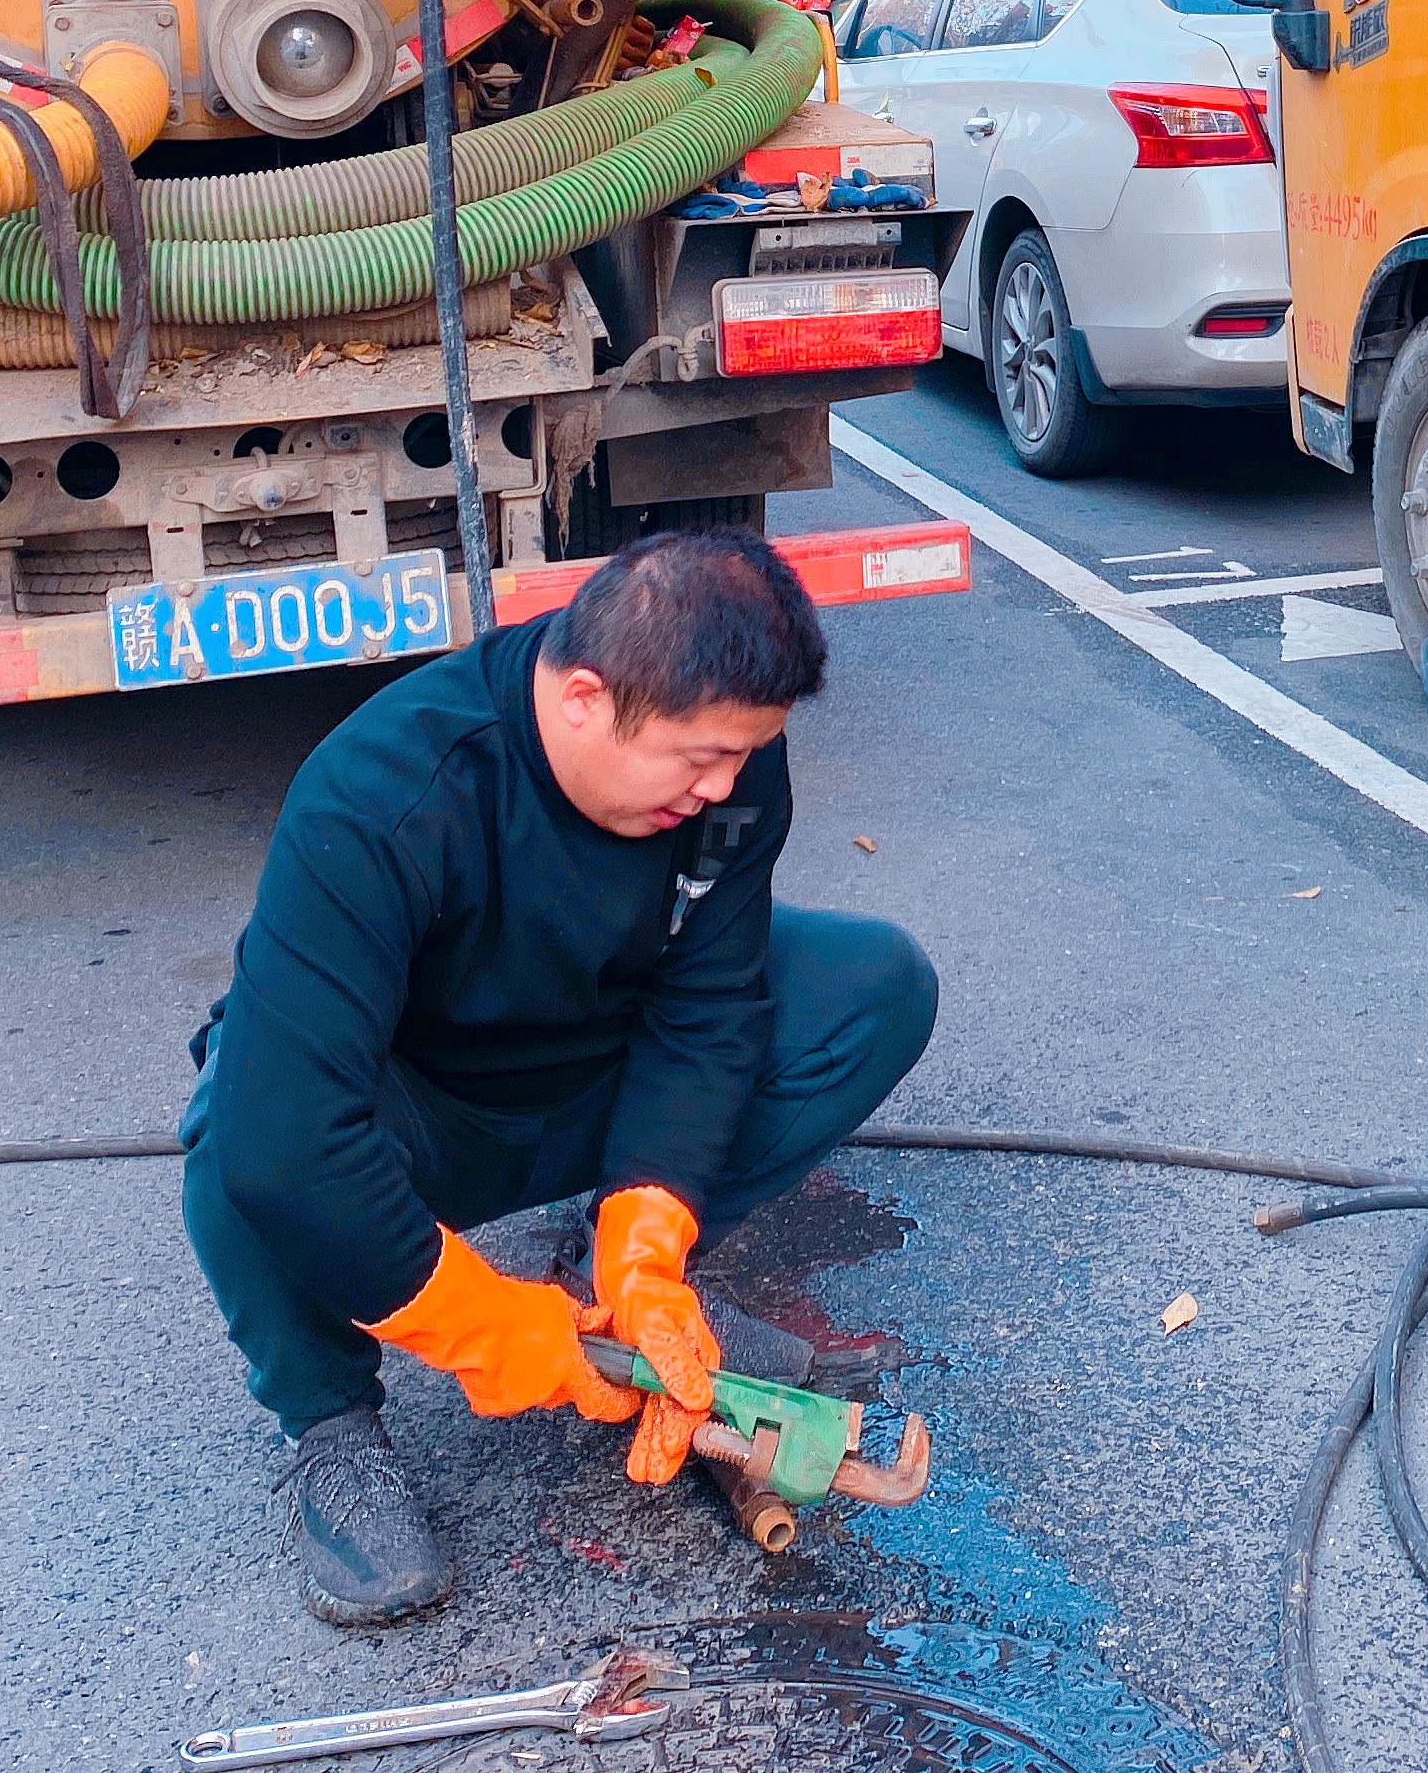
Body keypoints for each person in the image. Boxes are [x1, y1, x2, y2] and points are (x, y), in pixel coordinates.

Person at [181, 525, 937, 1624]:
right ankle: (330, 1426)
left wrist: (649, 1240)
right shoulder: (385, 790)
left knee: (874, 986)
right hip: (421, 1109)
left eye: (744, 755)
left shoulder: (726, 761)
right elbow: (286, 1135)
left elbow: (711, 1001)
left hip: (596, 1064)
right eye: (698, 761)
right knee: (244, 1140)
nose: (726, 786)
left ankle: (609, 1277)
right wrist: (492, 1328)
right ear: (583, 698)